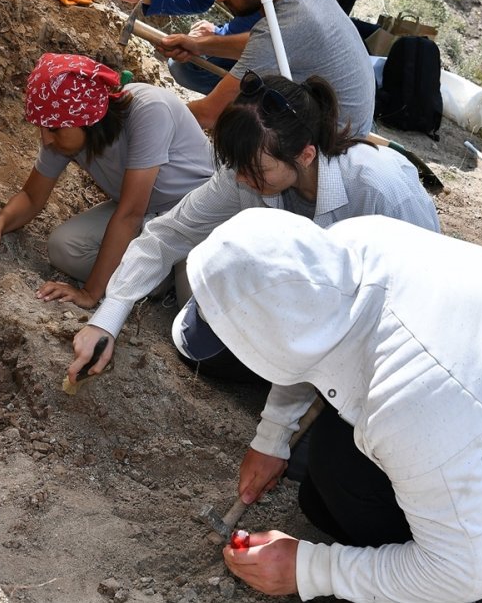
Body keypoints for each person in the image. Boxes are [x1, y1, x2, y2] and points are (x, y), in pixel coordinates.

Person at [185, 208, 482, 603]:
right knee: (326, 486)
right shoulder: (345, 248)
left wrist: (310, 570)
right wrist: (271, 438)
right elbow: (304, 344)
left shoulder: (412, 397)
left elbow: (460, 574)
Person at [67, 72, 438, 381]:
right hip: (296, 301)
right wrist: (107, 319)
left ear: (305, 155)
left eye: (256, 170)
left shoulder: (381, 190)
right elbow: (167, 235)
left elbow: (424, 294)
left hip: (372, 324)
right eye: (236, 165)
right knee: (199, 347)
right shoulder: (245, 173)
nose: (242, 180)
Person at [0, 53, 213, 308]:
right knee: (65, 247)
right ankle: (159, 281)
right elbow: (31, 197)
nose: (46, 139)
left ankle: (163, 275)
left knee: (196, 302)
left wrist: (90, 293)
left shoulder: (149, 110)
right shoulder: (66, 133)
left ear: (87, 118)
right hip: (148, 211)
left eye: (53, 128)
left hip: (196, 213)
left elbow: (130, 214)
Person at [153, 0, 375, 133]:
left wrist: (147, 112)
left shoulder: (291, 22)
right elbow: (265, 42)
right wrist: (200, 45)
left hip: (333, 145)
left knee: (236, 130)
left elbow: (208, 114)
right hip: (337, 116)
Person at [112, 0, 315, 95]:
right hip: (260, 25)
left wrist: (218, 35)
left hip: (289, 41)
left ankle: (258, 109)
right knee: (186, 66)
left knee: (270, 87)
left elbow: (273, 10)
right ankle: (242, 102)